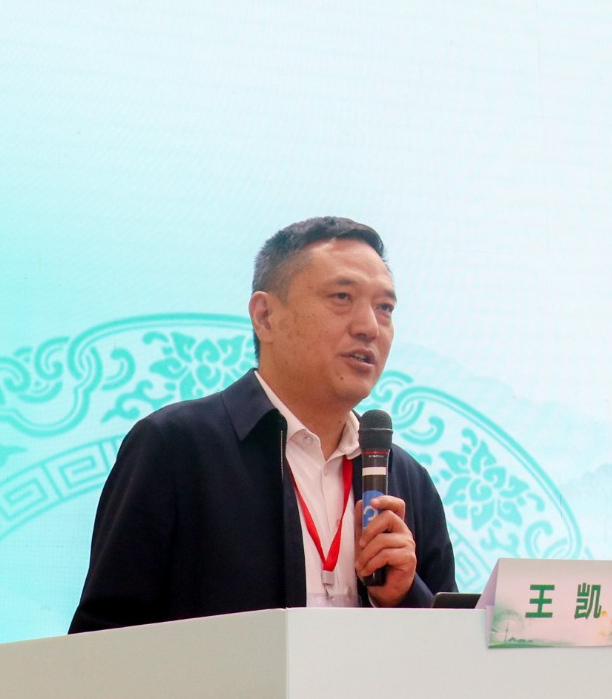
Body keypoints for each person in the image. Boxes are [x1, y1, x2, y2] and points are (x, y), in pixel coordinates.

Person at [69, 217, 455, 632]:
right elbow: (103, 638)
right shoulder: (175, 448)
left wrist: (403, 596)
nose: (369, 327)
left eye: (385, 308)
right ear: (265, 316)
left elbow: (455, 651)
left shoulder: (406, 479)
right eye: (342, 297)